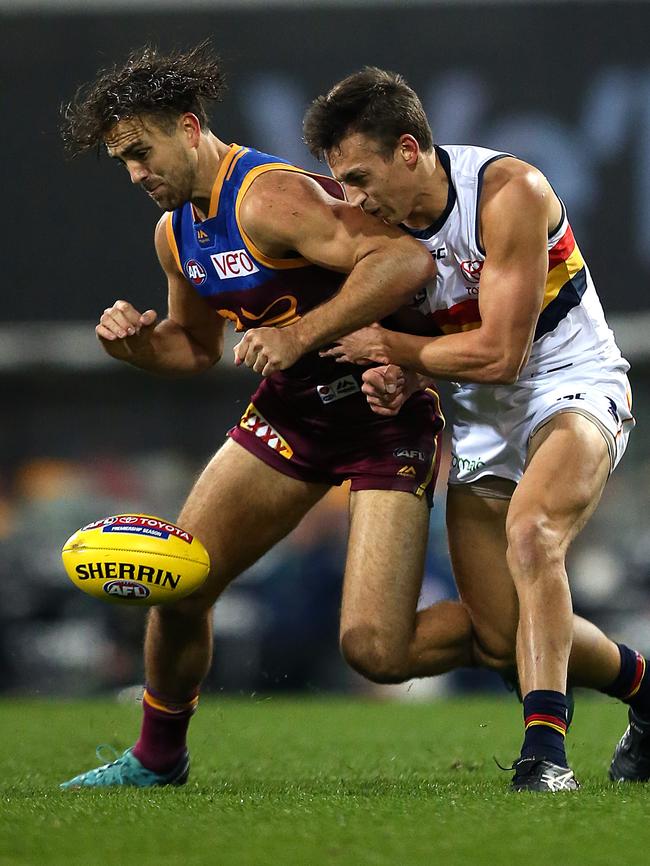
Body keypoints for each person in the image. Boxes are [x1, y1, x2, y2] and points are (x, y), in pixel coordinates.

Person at [57, 43, 471, 789]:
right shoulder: (175, 232)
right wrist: (137, 347)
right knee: (179, 585)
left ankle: (537, 638)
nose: (135, 174)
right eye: (122, 162)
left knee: (376, 650)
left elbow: (407, 262)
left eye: (142, 153)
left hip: (382, 417)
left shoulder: (269, 197)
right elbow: (193, 349)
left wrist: (302, 334)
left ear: (189, 127)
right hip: (293, 419)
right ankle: (157, 759)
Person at [283, 67, 648, 791]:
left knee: (532, 534)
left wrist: (394, 350)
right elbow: (440, 342)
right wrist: (409, 371)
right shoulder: (378, 230)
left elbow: (502, 353)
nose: (351, 198)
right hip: (482, 418)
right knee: (500, 631)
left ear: (410, 150)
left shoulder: (510, 194)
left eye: (359, 176)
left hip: (570, 386)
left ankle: (545, 754)